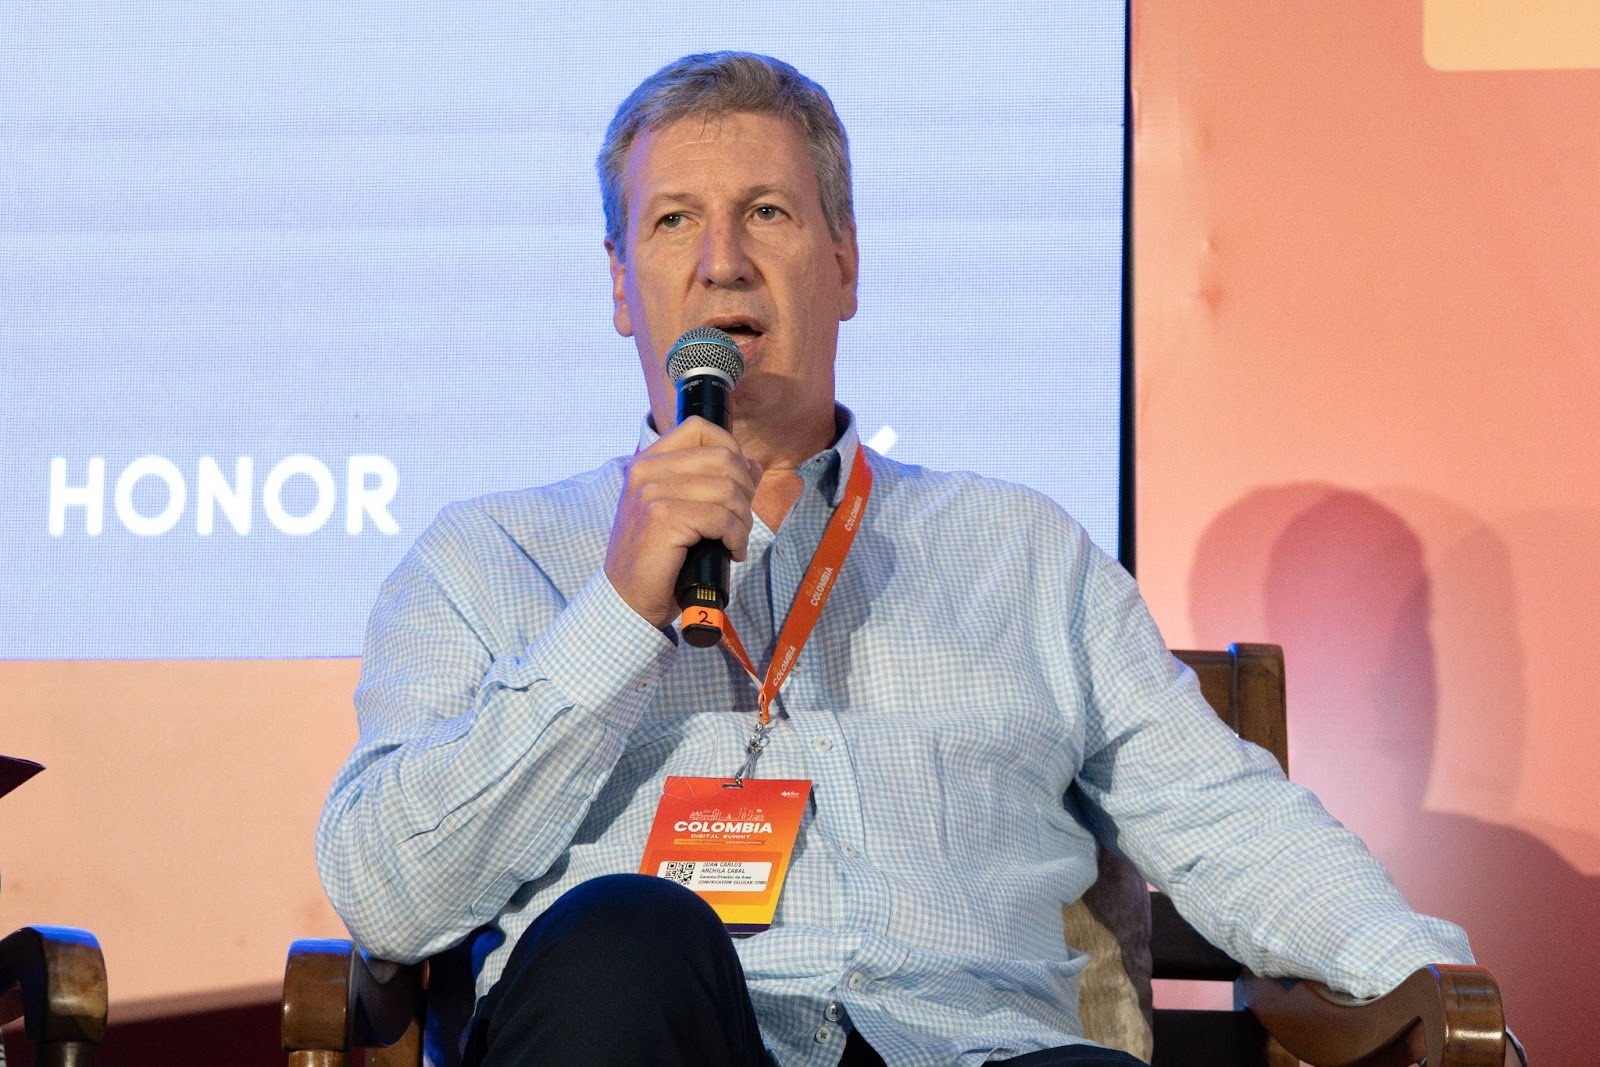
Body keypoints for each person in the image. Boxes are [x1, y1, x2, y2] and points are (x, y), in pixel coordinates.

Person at [316, 52, 1473, 1066]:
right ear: (621, 284)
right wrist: (615, 615)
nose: (721, 261)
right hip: (659, 1032)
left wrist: (1446, 992)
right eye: (671, 221)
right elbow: (386, 894)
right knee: (624, 934)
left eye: (767, 212)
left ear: (845, 262)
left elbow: (1223, 822)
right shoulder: (484, 558)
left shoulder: (1020, 553)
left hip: (967, 1043)